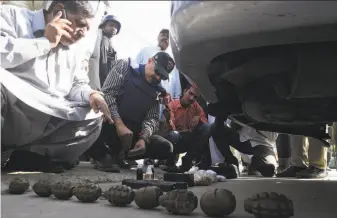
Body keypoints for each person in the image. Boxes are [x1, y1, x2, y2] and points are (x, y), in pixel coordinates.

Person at [1, 1, 112, 173]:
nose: (83, 34)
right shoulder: (12, 17)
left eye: (87, 29)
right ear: (59, 12)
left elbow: (77, 83)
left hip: (46, 119)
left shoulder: (74, 49)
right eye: (81, 24)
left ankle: (30, 156)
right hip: (10, 108)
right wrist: (45, 42)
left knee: (94, 115)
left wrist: (91, 95)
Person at [87, 52, 177, 172]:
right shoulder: (125, 66)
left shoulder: (157, 89)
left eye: (162, 76)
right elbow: (108, 95)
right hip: (110, 125)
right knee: (92, 123)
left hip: (131, 136)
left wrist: (143, 139)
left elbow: (152, 118)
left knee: (165, 147)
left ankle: (121, 155)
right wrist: (119, 125)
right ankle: (102, 155)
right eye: (157, 71)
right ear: (150, 60)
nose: (158, 77)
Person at [162, 84, 212, 172]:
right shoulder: (172, 104)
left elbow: (204, 120)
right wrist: (182, 131)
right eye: (190, 94)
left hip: (189, 138)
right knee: (173, 135)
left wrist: (198, 117)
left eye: (195, 97)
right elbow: (171, 126)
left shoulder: (195, 106)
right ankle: (170, 161)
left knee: (207, 127)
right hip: (176, 139)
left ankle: (188, 159)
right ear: (184, 91)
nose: (192, 98)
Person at [212, 118, 278, 177]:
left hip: (263, 145)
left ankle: (256, 163)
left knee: (269, 169)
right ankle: (231, 161)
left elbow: (273, 136)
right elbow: (231, 125)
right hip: (242, 140)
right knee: (216, 127)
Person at [85, 13, 121, 90]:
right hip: (102, 81)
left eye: (116, 27)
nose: (114, 28)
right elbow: (103, 63)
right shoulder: (104, 40)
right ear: (103, 26)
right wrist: (107, 82)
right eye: (111, 25)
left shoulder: (108, 41)